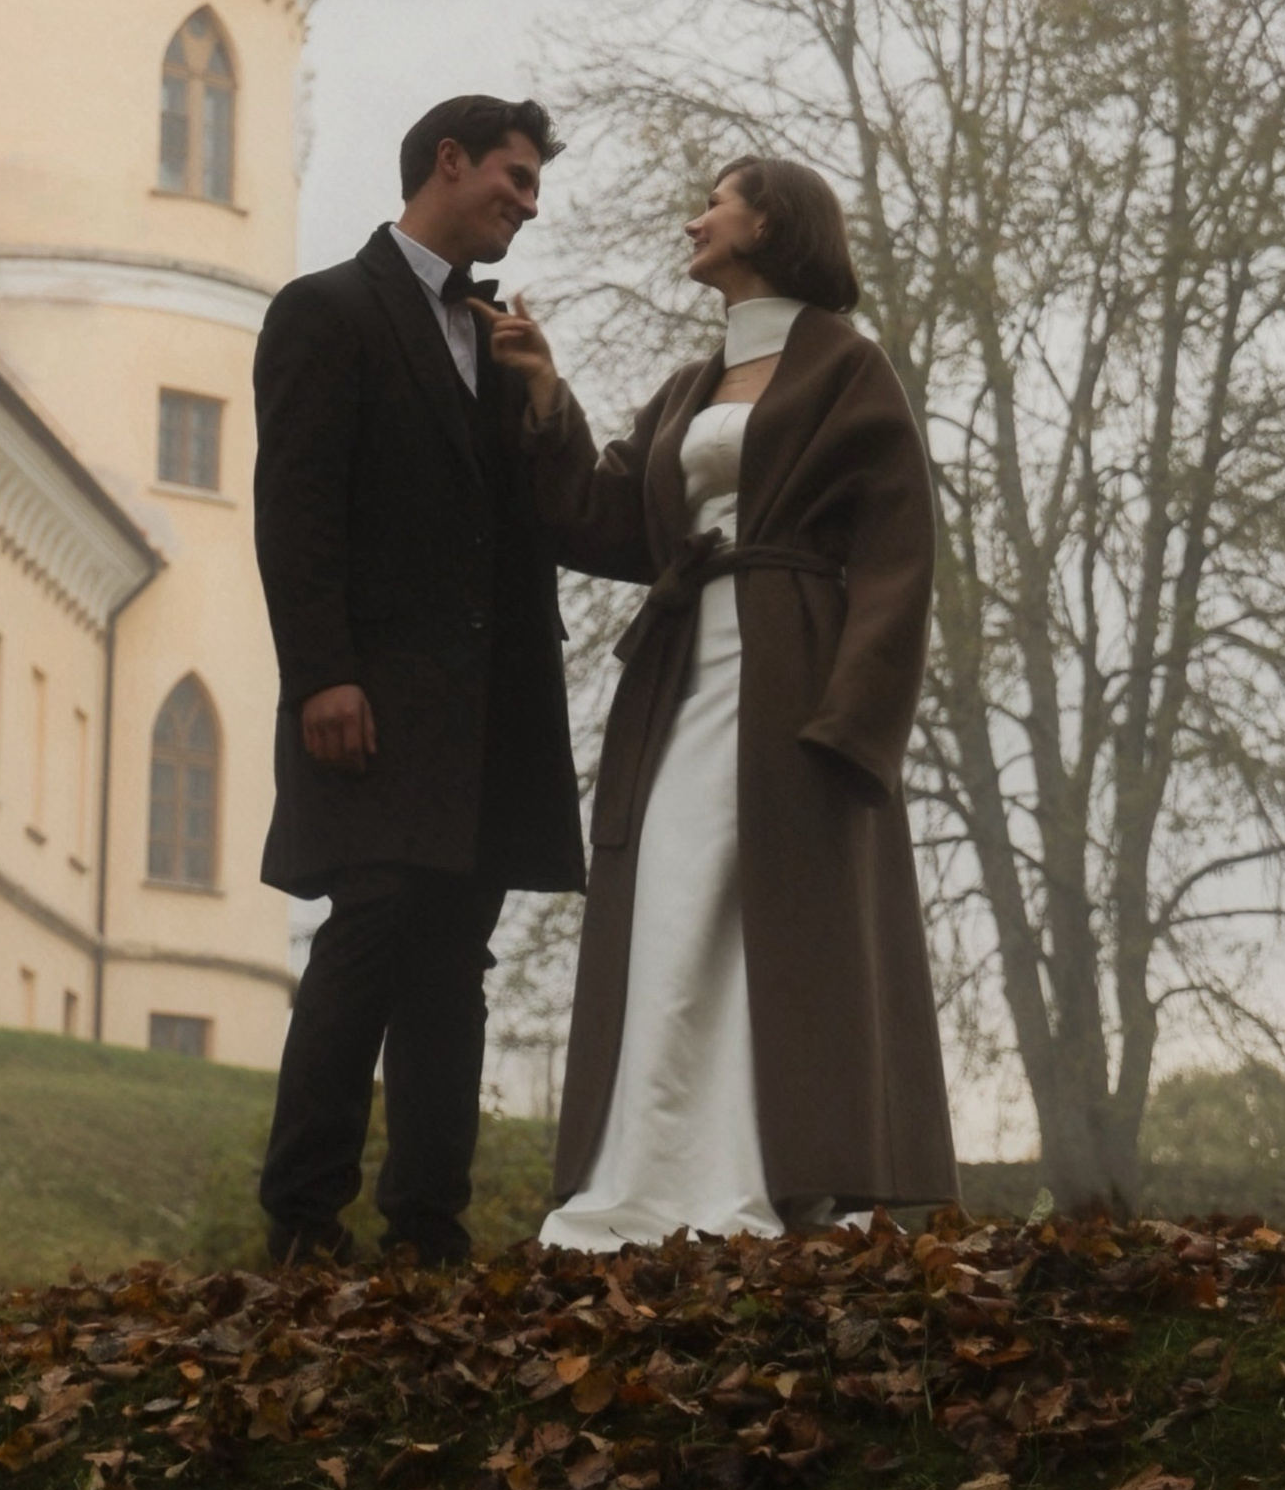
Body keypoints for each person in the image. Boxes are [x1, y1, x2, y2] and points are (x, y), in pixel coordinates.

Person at [528, 155, 955, 1247]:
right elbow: (603, 517)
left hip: (794, 677)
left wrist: (855, 721)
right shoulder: (688, 386)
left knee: (781, 926)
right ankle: (650, 1181)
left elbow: (900, 554)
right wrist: (543, 397)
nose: (692, 217)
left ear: (768, 223)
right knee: (671, 906)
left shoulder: (849, 373)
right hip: (685, 680)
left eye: (712, 202)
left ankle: (769, 1177)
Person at [250, 92, 589, 1264]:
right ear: (447, 162)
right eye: (515, 177)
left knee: (455, 955)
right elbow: (295, 514)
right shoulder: (324, 310)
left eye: (537, 186)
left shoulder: (501, 341)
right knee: (372, 926)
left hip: (492, 715)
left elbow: (563, 514)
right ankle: (301, 1221)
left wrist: (548, 392)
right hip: (373, 703)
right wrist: (321, 678)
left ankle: (426, 1228)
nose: (528, 204)